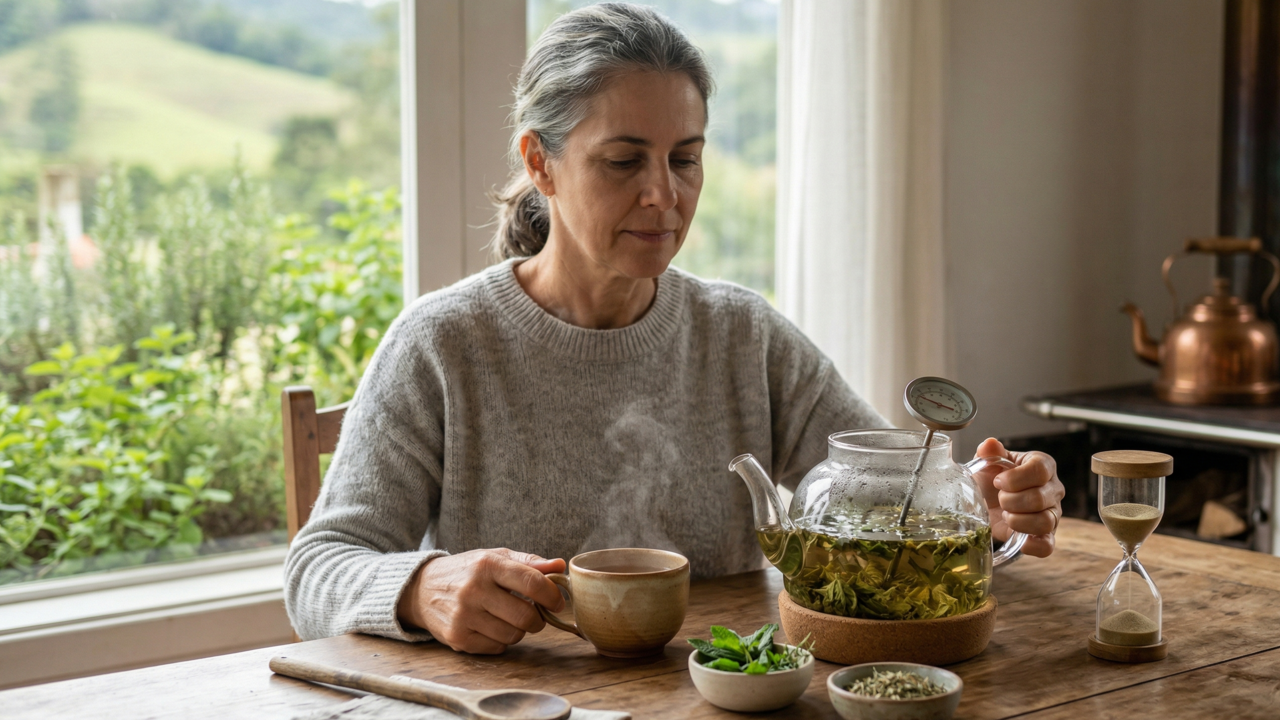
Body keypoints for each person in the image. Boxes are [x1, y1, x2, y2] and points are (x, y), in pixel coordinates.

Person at [284, 3, 1065, 654]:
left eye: (685, 159)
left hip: (723, 696)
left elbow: (890, 498)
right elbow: (316, 571)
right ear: (542, 163)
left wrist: (979, 505)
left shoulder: (742, 334)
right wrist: (421, 587)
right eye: (625, 161)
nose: (664, 195)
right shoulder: (443, 344)